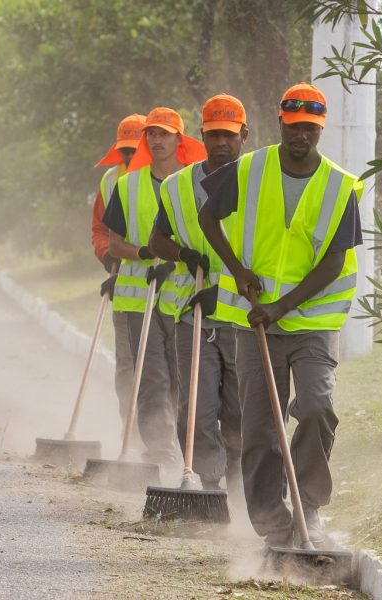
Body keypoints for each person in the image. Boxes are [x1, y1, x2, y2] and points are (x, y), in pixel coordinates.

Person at [198, 83, 364, 551]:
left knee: (316, 408)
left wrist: (281, 307)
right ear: (281, 124)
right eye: (294, 126)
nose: (301, 136)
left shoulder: (339, 185)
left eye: (311, 128)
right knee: (261, 428)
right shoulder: (247, 170)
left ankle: (308, 508)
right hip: (256, 327)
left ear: (320, 129)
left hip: (311, 323)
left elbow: (333, 262)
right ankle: (274, 526)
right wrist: (238, 270)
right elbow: (210, 218)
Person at [147, 94, 249, 492]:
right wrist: (182, 253)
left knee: (240, 412)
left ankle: (242, 489)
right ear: (202, 134)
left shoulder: (258, 183)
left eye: (229, 135)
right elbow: (157, 239)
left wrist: (224, 291)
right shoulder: (177, 187)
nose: (221, 143)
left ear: (244, 134)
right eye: (213, 135)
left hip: (242, 317)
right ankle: (208, 488)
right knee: (196, 409)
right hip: (194, 315)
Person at [101, 107, 207, 468]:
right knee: (152, 381)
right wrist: (146, 253)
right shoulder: (127, 185)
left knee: (182, 383)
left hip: (182, 300)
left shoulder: (196, 183)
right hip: (138, 301)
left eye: (165, 134)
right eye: (152, 134)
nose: (157, 140)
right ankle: (161, 456)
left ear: (181, 138)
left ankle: (184, 455)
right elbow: (114, 244)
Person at [91, 114, 145, 271]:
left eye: (134, 151)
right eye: (125, 151)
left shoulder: (164, 176)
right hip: (123, 274)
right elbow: (99, 229)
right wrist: (106, 253)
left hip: (162, 273)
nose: (129, 156)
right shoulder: (110, 179)